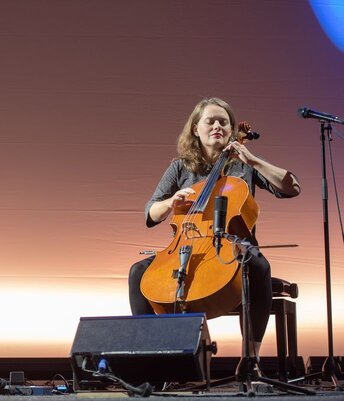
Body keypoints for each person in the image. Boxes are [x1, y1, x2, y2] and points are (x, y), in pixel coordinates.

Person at [128, 97, 301, 363]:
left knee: (258, 266)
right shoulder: (180, 166)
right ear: (196, 128)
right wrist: (170, 203)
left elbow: (292, 188)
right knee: (138, 272)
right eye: (210, 121)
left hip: (232, 248)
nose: (217, 126)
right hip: (187, 248)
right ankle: (154, 359)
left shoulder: (244, 165)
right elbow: (150, 213)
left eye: (224, 122)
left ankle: (250, 360)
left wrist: (253, 161)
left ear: (232, 131)